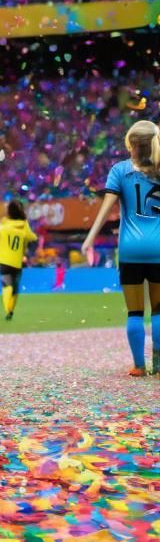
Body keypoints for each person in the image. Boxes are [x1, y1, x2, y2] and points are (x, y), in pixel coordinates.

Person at [81, 120, 160, 377]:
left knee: (135, 311)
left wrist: (90, 237)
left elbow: (106, 210)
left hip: (130, 251)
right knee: (159, 309)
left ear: (131, 144)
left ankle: (139, 365)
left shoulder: (119, 171)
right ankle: (159, 366)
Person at [0, 200, 37, 321]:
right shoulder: (24, 225)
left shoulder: (4, 223)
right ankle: (11, 310)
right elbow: (32, 237)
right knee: (15, 287)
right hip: (17, 260)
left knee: (6, 285)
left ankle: (7, 309)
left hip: (4, 259)